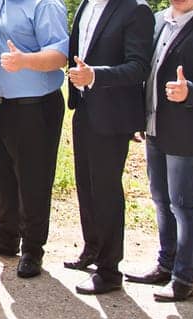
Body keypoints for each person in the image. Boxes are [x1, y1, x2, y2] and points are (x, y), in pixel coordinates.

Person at [127, 0, 193, 302]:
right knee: (161, 199)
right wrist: (140, 116)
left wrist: (190, 93)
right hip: (156, 127)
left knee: (184, 204)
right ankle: (166, 264)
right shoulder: (158, 21)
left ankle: (185, 277)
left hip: (189, 135)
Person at [0, 0, 69, 280]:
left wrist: (25, 60)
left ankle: (33, 249)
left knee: (33, 180)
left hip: (35, 106)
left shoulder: (45, 5)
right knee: (1, 175)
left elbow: (60, 55)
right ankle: (5, 236)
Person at [63, 0, 153, 295]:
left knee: (105, 190)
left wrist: (95, 76)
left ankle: (109, 271)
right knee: (86, 185)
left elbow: (139, 67)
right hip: (85, 107)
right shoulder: (86, 5)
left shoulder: (135, 9)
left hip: (113, 114)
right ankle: (92, 250)